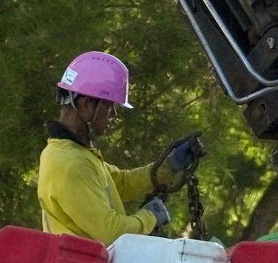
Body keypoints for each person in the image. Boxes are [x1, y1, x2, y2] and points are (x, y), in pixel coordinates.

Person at [34, 50, 204, 244]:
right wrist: (150, 216)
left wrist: (170, 165)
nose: (114, 115)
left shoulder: (76, 154)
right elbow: (111, 233)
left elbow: (122, 183)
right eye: (109, 106)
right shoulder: (71, 164)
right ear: (87, 104)